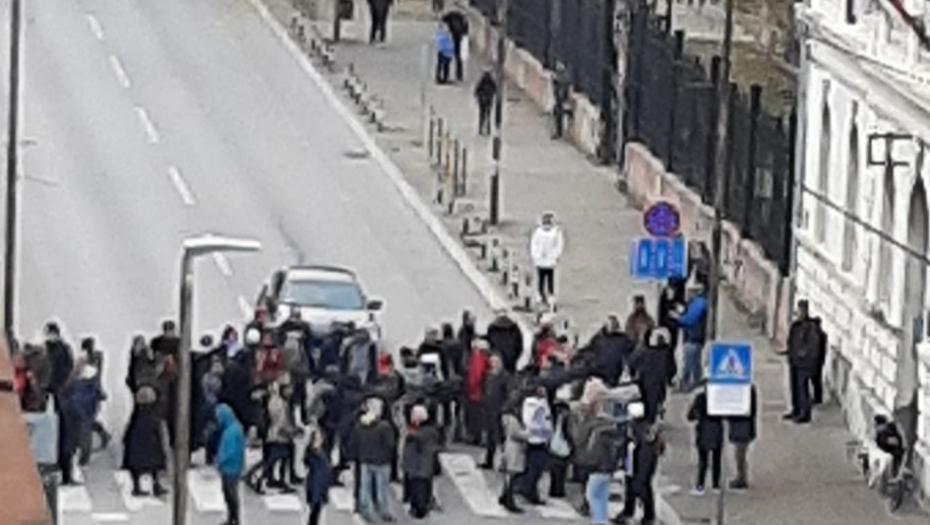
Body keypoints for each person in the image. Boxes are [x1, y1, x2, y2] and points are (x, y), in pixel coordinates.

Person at [355, 397, 396, 522]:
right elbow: (391, 444)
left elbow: (356, 441)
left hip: (365, 459)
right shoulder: (384, 426)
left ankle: (367, 511)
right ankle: (384, 512)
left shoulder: (361, 424)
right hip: (381, 461)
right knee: (382, 489)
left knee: (365, 487)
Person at [122, 386, 168, 497]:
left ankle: (137, 487)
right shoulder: (153, 416)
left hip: (137, 447)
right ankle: (156, 486)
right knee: (154, 466)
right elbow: (158, 431)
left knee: (136, 467)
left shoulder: (136, 415)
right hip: (151, 445)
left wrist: (125, 440)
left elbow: (129, 430)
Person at [613, 421, 662, 525]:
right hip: (634, 458)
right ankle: (629, 512)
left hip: (643, 458)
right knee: (630, 485)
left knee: (641, 486)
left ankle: (648, 515)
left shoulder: (646, 434)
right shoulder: (634, 430)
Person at [514, 385, 552, 505]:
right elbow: (543, 421)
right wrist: (547, 431)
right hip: (539, 439)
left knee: (531, 467)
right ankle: (529, 492)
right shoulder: (538, 404)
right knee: (536, 469)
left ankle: (526, 489)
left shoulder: (529, 403)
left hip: (533, 438)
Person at [784, 300, 820, 424]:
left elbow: (814, 347)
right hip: (794, 362)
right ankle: (796, 409)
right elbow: (791, 341)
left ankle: (805, 413)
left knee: (802, 388)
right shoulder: (796, 326)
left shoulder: (811, 327)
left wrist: (807, 358)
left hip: (805, 364)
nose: (800, 313)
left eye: (802, 310)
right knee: (794, 387)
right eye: (798, 310)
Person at [403, 405, 439, 518]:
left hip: (418, 466)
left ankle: (419, 509)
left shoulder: (417, 434)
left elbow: (416, 448)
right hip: (424, 466)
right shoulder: (431, 430)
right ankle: (422, 506)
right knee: (424, 487)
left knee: (418, 489)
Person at [629, 328, 671, 423]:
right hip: (658, 383)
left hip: (644, 381)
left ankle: (641, 422)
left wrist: (633, 374)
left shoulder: (644, 351)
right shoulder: (666, 353)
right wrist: (669, 378)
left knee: (643, 403)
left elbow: (632, 362)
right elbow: (671, 369)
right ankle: (650, 422)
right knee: (654, 404)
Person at [687, 384, 723, 495]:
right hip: (717, 429)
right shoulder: (719, 398)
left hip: (703, 429)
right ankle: (715, 484)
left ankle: (700, 485)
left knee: (703, 460)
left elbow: (690, 416)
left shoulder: (700, 398)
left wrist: (694, 413)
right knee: (716, 459)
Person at [279, 309, 313, 425]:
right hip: (301, 366)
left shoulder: (284, 327)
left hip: (288, 367)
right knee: (302, 393)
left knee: (288, 395)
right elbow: (309, 347)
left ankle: (290, 420)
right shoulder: (304, 327)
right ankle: (304, 418)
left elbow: (278, 343)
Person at [72, 357, 105, 465]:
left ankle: (83, 457)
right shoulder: (92, 378)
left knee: (83, 433)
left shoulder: (77, 380)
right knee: (86, 431)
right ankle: (84, 456)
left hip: (81, 409)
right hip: (89, 409)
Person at [675, 283, 708, 392]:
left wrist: (678, 317)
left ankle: (688, 385)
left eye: (690, 291)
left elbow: (689, 320)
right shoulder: (695, 303)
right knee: (693, 362)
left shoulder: (698, 303)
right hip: (694, 338)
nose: (687, 294)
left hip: (693, 338)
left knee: (690, 363)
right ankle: (691, 384)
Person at [216, 404, 246, 525]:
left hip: (230, 468)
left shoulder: (232, 431)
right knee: (229, 494)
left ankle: (235, 518)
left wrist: (220, 460)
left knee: (231, 494)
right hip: (231, 467)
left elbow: (231, 450)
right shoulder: (232, 428)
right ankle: (232, 517)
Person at [480, 353, 509, 468]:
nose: (494, 364)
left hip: (499, 409)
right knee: (490, 436)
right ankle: (489, 460)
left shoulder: (504, 376)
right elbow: (484, 389)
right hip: (489, 409)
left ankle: (504, 462)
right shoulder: (488, 375)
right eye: (492, 361)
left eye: (496, 361)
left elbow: (507, 393)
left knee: (501, 437)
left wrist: (504, 408)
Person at [530, 212, 565, 307]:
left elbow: (559, 245)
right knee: (542, 279)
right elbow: (534, 245)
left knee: (549, 279)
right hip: (542, 260)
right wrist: (535, 256)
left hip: (549, 260)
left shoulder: (555, 232)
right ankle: (541, 295)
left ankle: (548, 296)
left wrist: (556, 255)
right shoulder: (539, 232)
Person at [586, 315, 633, 386]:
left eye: (613, 324)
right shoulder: (598, 339)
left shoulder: (623, 340)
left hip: (613, 373)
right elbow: (589, 351)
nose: (611, 327)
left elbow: (628, 355)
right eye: (609, 324)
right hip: (599, 372)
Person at [498, 401, 527, 513]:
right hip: (514, 448)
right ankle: (509, 499)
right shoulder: (513, 420)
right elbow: (516, 434)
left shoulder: (505, 419)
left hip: (509, 446)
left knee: (508, 474)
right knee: (511, 475)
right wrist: (527, 434)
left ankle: (504, 495)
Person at [727, 385, 757, 490]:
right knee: (740, 455)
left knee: (740, 455)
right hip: (743, 426)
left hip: (743, 426)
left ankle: (742, 478)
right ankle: (741, 477)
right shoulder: (748, 389)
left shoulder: (745, 390)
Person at [304, 430, 333, 525]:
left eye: (320, 438)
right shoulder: (313, 453)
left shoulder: (323, 451)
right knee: (315, 512)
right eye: (317, 439)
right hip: (316, 486)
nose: (319, 440)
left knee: (317, 512)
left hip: (321, 485)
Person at [465, 339, 491, 444]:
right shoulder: (485, 358)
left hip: (476, 393)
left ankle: (477, 437)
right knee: (481, 416)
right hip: (481, 392)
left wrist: (471, 389)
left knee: (476, 416)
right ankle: (480, 437)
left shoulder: (477, 358)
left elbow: (476, 376)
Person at [547, 400, 573, 498]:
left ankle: (554, 490)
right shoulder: (566, 418)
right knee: (561, 469)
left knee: (555, 470)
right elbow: (567, 433)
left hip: (554, 445)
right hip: (562, 446)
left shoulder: (555, 418)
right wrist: (571, 444)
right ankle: (559, 490)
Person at [45, 322, 74, 407]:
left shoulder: (64, 348)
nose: (50, 336)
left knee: (59, 408)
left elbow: (69, 365)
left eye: (51, 333)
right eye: (48, 333)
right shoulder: (45, 347)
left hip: (59, 384)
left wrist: (63, 380)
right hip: (46, 384)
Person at [441, 9, 469, 81]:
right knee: (458, 56)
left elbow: (442, 20)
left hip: (451, 36)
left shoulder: (450, 15)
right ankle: (459, 75)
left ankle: (445, 76)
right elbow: (465, 29)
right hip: (458, 37)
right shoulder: (462, 16)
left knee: (447, 56)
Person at [551, 62, 571, 139]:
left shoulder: (565, 77)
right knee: (557, 109)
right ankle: (558, 131)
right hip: (560, 84)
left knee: (559, 109)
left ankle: (559, 131)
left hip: (563, 85)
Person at [474, 71, 497, 136]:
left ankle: (481, 129)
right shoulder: (492, 83)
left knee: (482, 115)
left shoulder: (481, 83)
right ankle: (487, 129)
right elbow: (495, 90)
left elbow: (476, 92)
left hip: (482, 101)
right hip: (488, 101)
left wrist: (478, 97)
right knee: (488, 115)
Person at [812, 317, 827, 405]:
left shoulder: (819, 335)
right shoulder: (821, 335)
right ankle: (817, 397)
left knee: (816, 380)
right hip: (819, 360)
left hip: (817, 361)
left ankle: (818, 397)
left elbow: (818, 349)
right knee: (816, 380)